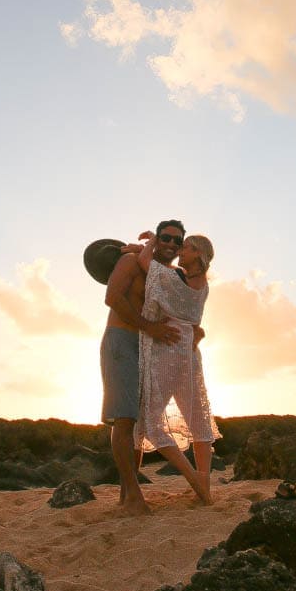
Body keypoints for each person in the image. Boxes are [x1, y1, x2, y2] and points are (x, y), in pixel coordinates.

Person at [100, 219, 185, 516]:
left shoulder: (168, 274)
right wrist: (149, 327)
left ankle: (127, 495)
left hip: (147, 348)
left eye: (177, 241)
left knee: (137, 425)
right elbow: (112, 297)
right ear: (158, 238)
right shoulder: (130, 261)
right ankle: (134, 496)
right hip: (121, 341)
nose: (171, 244)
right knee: (124, 419)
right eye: (166, 238)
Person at [135, 231, 220, 504]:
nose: (180, 251)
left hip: (169, 347)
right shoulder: (201, 284)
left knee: (149, 420)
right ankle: (204, 481)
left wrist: (152, 242)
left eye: (185, 247)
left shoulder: (172, 279)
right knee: (197, 417)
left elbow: (146, 262)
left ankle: (194, 479)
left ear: (197, 253)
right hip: (189, 349)